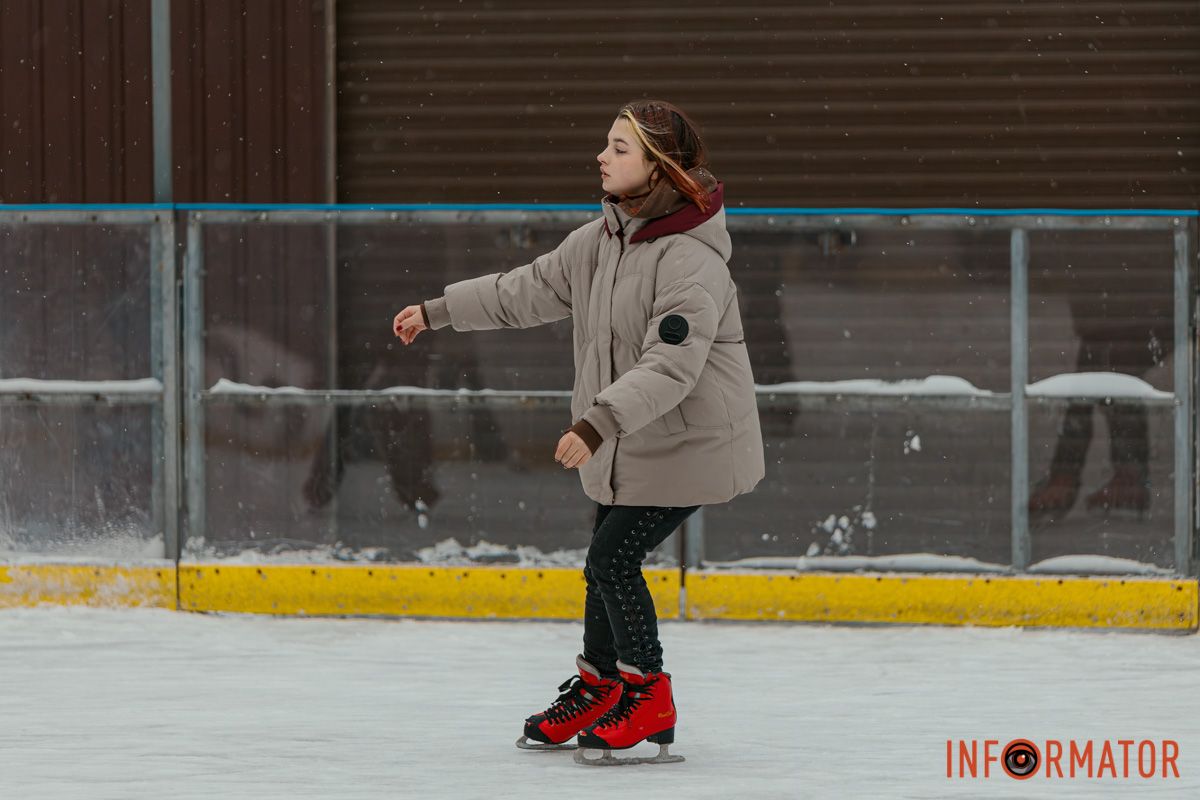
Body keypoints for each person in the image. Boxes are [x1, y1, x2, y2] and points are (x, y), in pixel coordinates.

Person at [392, 100, 765, 766]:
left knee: (610, 560)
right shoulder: (599, 244)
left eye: (620, 148)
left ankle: (647, 692)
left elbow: (672, 364)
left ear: (660, 168)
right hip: (634, 442)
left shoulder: (689, 262)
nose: (602, 156)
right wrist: (437, 311)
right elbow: (521, 291)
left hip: (687, 442)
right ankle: (600, 686)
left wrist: (598, 422)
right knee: (605, 563)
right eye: (607, 144)